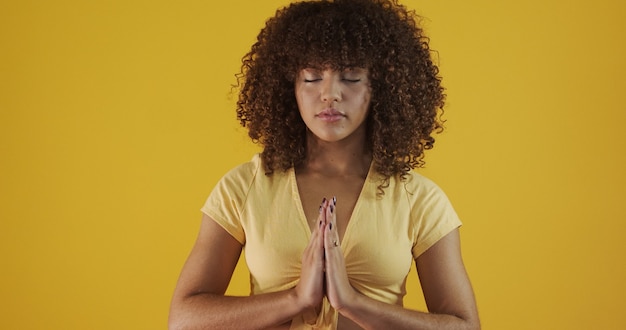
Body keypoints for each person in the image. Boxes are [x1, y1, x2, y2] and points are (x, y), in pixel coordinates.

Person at [169, 0, 480, 329]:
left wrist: (352, 302)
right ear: (290, 87)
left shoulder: (419, 199)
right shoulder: (244, 187)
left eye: (351, 77)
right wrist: (296, 299)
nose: (330, 94)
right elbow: (184, 320)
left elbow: (464, 326)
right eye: (313, 77)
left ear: (381, 89)